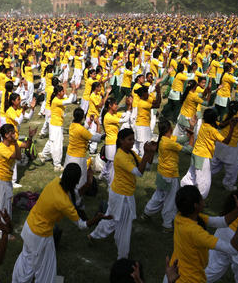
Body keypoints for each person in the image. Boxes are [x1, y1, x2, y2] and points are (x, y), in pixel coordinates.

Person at [12, 163, 108, 283]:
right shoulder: (63, 202)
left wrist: (88, 183)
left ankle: (17, 280)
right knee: (46, 268)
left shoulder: (56, 182)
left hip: (29, 227)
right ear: (76, 181)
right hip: (40, 235)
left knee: (26, 260)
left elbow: (73, 195)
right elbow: (82, 225)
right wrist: (97, 218)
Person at [89, 128, 157, 259]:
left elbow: (146, 166)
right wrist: (147, 152)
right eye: (129, 139)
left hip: (124, 194)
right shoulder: (120, 156)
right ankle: (122, 257)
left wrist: (150, 153)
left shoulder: (130, 153)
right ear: (121, 141)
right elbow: (139, 172)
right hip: (121, 196)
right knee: (124, 226)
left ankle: (93, 235)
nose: (132, 142)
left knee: (112, 219)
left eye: (133, 139)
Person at [167, 185, 238, 283]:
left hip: (173, 274)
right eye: (201, 198)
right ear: (196, 205)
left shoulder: (180, 217)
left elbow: (222, 222)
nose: (203, 199)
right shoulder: (195, 233)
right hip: (189, 279)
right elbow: (233, 249)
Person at [141, 119, 194, 231]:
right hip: (170, 176)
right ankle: (167, 224)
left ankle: (147, 213)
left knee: (158, 196)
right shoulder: (169, 142)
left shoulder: (164, 139)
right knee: (170, 200)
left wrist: (190, 130)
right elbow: (188, 150)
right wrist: (192, 137)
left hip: (162, 174)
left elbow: (183, 139)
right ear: (170, 129)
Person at [180, 108, 236, 199]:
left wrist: (229, 121)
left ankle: (183, 188)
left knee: (192, 175)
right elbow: (226, 141)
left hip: (195, 153)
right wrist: (232, 127)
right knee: (204, 182)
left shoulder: (204, 124)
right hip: (203, 157)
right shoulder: (213, 130)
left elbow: (221, 125)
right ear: (214, 119)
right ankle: (199, 200)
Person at [0, 124, 35, 222]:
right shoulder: (1, 149)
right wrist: (15, 143)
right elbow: (18, 157)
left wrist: (30, 137)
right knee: (4, 207)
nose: (15, 135)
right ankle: (4, 231)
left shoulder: (12, 143)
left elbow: (26, 145)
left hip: (6, 180)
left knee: (2, 204)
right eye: (12, 133)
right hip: (0, 181)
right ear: (6, 135)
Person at [64, 107, 103, 208]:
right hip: (79, 158)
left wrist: (88, 123)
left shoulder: (72, 125)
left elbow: (82, 129)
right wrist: (99, 126)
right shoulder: (81, 130)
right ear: (82, 117)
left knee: (69, 179)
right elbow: (96, 138)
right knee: (80, 181)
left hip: (69, 156)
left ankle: (66, 198)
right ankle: (77, 202)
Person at [39, 82, 76, 171]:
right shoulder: (56, 101)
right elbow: (69, 101)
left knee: (52, 141)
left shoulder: (59, 98)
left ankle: (43, 154)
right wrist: (73, 89)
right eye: (63, 91)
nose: (64, 92)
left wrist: (75, 90)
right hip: (56, 125)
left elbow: (72, 99)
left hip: (55, 124)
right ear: (59, 93)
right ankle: (57, 164)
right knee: (57, 144)